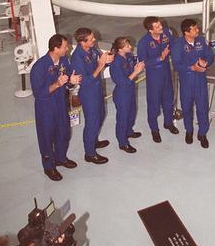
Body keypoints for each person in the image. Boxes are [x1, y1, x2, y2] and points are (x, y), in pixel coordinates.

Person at [30, 34, 81, 181]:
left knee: (64, 132)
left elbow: (68, 80)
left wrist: (72, 81)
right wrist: (57, 84)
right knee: (46, 137)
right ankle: (49, 167)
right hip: (46, 107)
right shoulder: (39, 67)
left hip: (61, 103)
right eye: (65, 47)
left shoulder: (64, 60)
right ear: (56, 48)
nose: (68, 48)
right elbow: (39, 94)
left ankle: (61, 158)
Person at [71, 28, 113, 164]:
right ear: (82, 42)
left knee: (101, 115)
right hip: (88, 93)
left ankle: (94, 141)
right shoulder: (77, 58)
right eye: (91, 39)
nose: (94, 40)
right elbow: (85, 81)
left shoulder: (92, 48)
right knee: (92, 122)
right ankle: (89, 154)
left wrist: (107, 60)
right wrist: (100, 66)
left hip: (97, 89)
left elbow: (100, 60)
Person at [171, 19, 215, 148]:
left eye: (197, 27)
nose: (198, 30)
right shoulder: (178, 45)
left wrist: (206, 62)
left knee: (203, 108)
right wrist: (192, 68)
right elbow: (176, 65)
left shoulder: (201, 41)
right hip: (187, 82)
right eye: (194, 29)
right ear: (186, 32)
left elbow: (210, 55)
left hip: (200, 80)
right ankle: (189, 131)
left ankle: (202, 134)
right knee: (186, 108)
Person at [137, 16, 179, 143]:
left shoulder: (166, 33)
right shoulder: (143, 43)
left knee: (168, 100)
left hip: (166, 71)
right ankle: (154, 130)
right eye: (157, 26)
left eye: (160, 24)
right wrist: (160, 58)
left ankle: (168, 123)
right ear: (150, 30)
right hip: (154, 76)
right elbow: (143, 62)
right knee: (153, 104)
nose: (161, 27)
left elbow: (173, 44)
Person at [109, 37, 145, 154]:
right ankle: (123, 143)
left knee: (131, 113)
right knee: (123, 118)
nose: (130, 47)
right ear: (120, 49)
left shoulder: (128, 56)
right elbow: (122, 82)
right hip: (122, 93)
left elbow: (133, 65)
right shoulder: (116, 63)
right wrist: (136, 72)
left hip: (130, 90)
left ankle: (129, 131)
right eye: (127, 46)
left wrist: (138, 66)